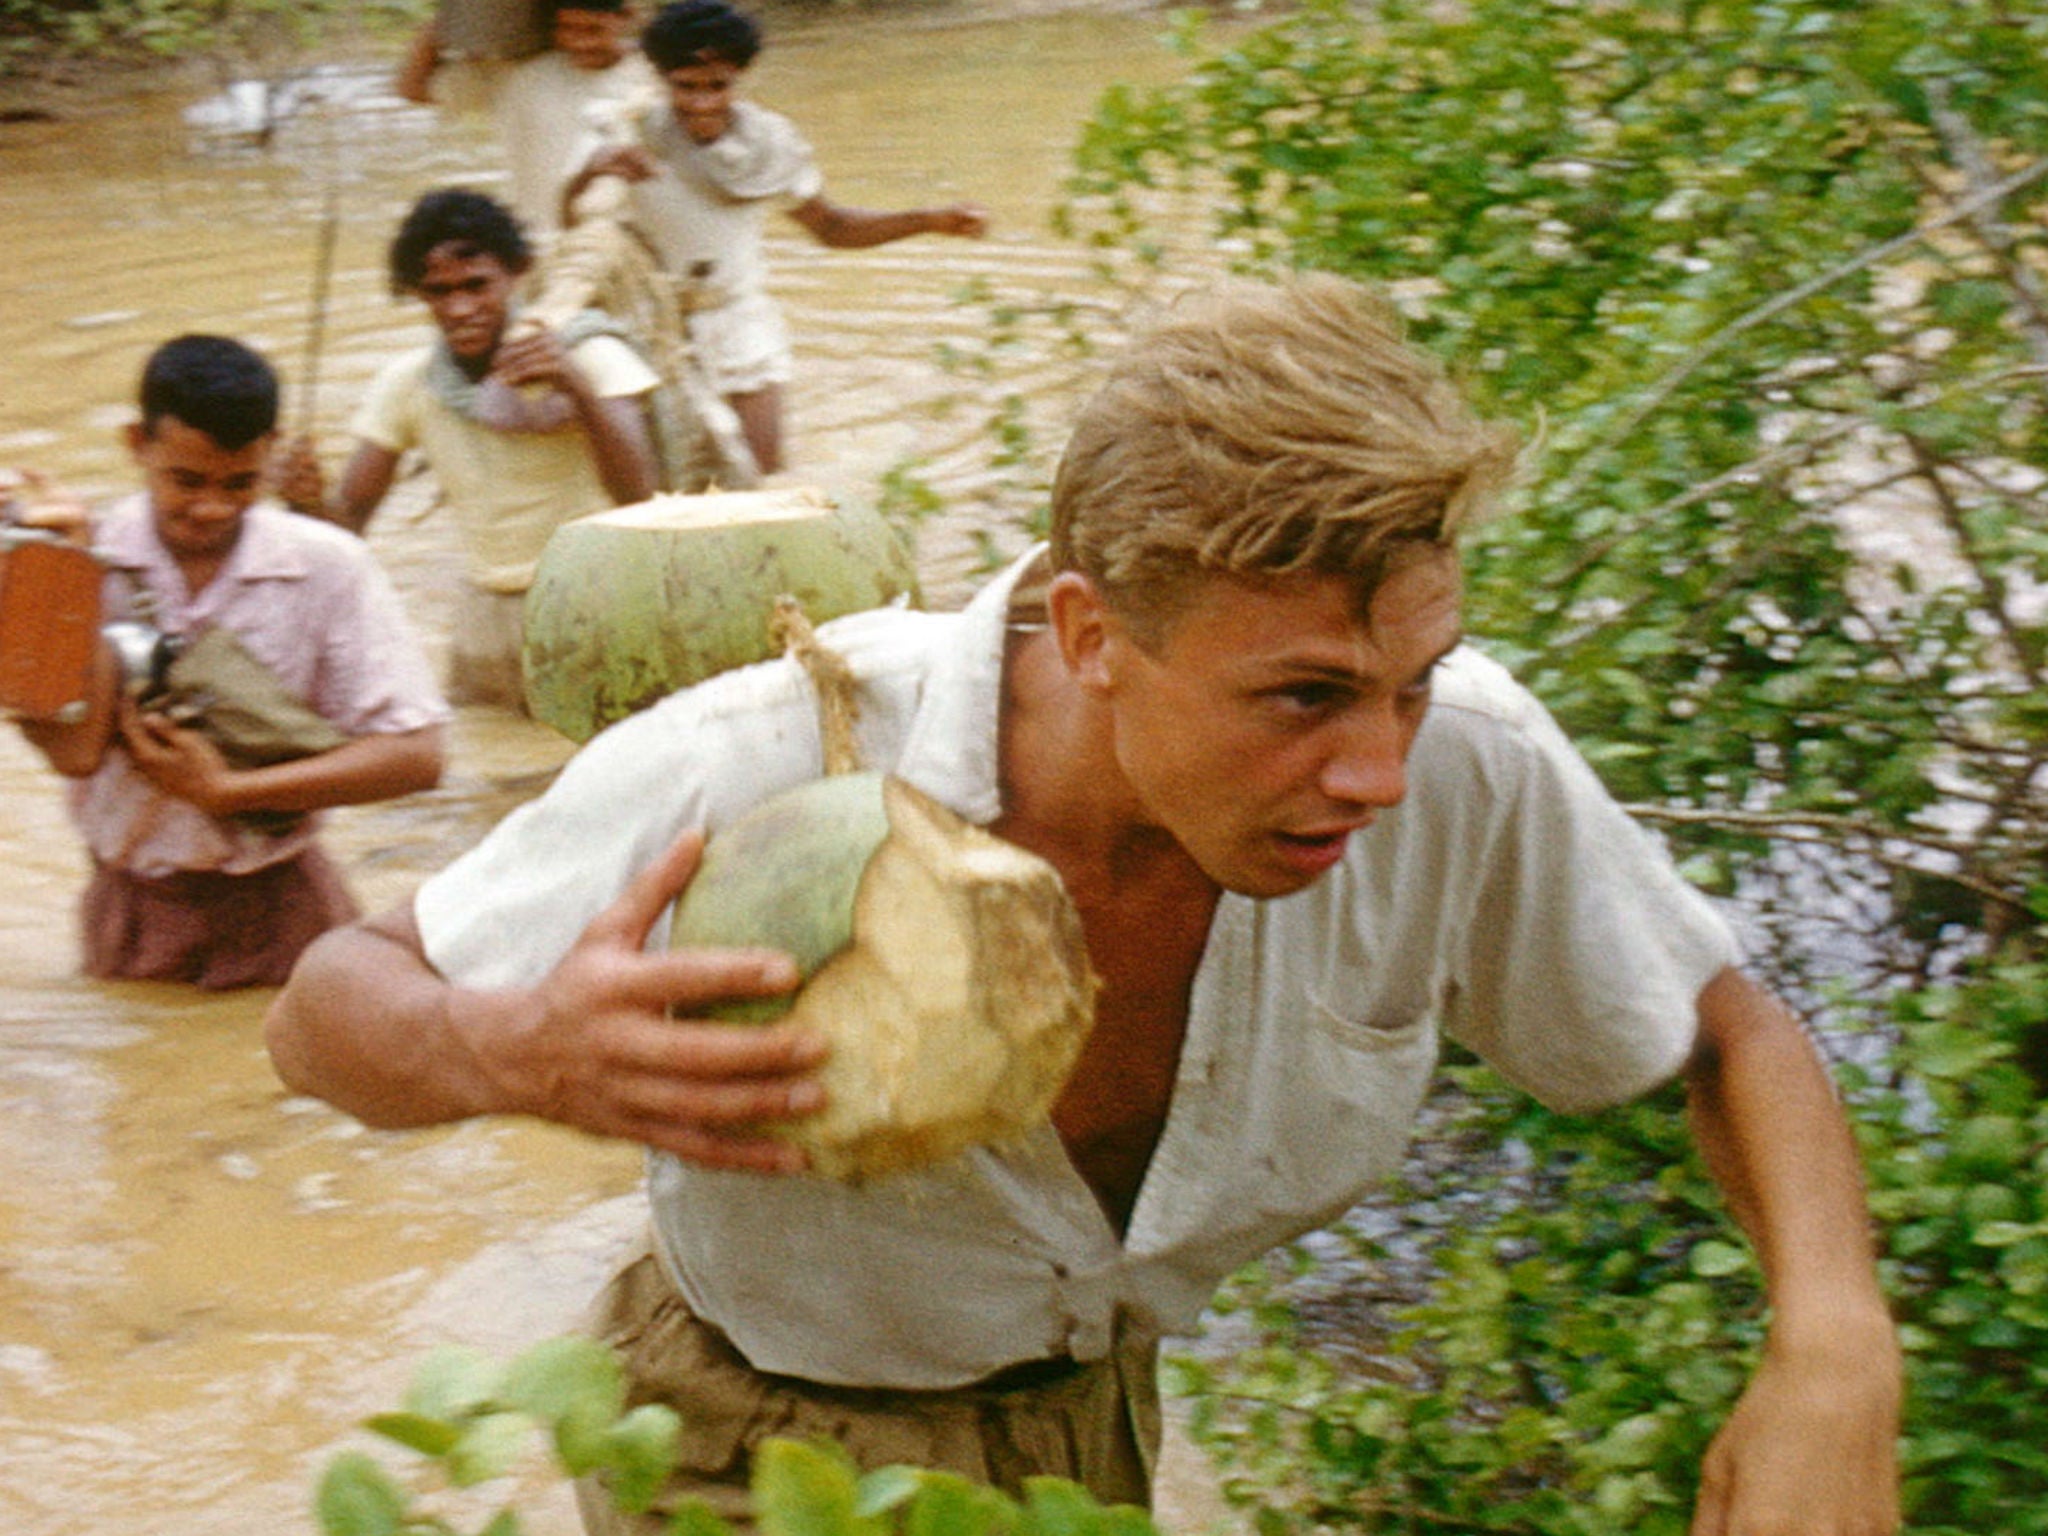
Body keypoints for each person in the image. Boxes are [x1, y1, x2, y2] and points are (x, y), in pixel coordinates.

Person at [264, 275, 1902, 1534]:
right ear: (1093, 630)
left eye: (1412, 681)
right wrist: (511, 1050)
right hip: (729, 1437)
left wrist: (1832, 1333)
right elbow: (326, 1007)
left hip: (1086, 1431)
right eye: (1303, 696)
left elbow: (1721, 1029)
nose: (1379, 770)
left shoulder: (1461, 758)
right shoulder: (779, 746)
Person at [16, 334, 448, 990]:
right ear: (138, 445)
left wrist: (226, 792)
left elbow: (418, 755)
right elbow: (74, 752)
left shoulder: (328, 566)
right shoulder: (73, 557)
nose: (211, 508)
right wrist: (64, 572)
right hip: (130, 908)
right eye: (185, 481)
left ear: (270, 454)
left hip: (287, 904)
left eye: (240, 483)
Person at [561, 0, 990, 476]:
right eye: (686, 87)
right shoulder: (628, 133)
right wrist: (588, 174)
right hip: (652, 322)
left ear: (738, 78)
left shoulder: (767, 144)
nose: (703, 102)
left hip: (739, 318)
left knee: (762, 477)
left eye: (717, 86)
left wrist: (929, 220)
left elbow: (832, 228)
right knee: (667, 480)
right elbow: (574, 228)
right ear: (663, 79)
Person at [280, 187, 661, 710]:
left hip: (596, 600)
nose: (460, 309)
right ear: (418, 294)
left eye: (477, 286)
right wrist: (305, 500)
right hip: (484, 617)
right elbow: (347, 533)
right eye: (439, 292)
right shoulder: (408, 384)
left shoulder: (589, 353)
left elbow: (644, 496)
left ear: (518, 272)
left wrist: (574, 386)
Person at [396, 1, 658, 245]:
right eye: (567, 28)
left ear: (625, 17)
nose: (580, 42)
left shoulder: (655, 77)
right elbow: (413, 88)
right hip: (537, 243)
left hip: (624, 244)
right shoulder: (517, 74)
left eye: (593, 29)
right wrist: (450, 19)